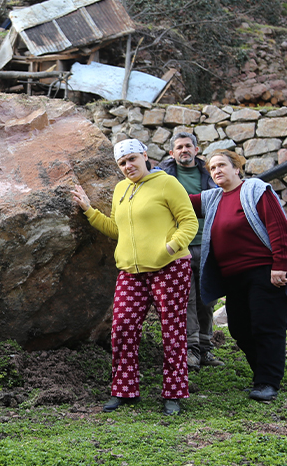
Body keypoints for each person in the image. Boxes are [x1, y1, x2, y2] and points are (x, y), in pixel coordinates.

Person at [72, 139, 198, 416]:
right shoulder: (121, 189)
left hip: (170, 267)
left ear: (144, 155)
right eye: (122, 163)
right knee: (123, 328)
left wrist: (171, 247)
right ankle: (124, 391)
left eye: (131, 159)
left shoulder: (167, 184)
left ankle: (173, 394)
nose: (128, 166)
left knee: (172, 331)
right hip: (131, 271)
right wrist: (89, 210)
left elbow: (189, 220)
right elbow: (117, 230)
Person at [189, 150, 287, 402]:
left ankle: (268, 382)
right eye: (212, 168)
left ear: (237, 169)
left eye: (222, 165)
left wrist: (279, 265)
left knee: (266, 326)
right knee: (240, 329)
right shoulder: (213, 198)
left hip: (263, 272)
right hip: (233, 277)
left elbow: (279, 228)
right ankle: (262, 375)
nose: (217, 171)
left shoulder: (255, 190)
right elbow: (181, 202)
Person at [159, 132, 224, 371]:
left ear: (197, 150)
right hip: (179, 247)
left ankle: (206, 348)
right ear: (171, 153)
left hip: (208, 244)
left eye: (188, 146)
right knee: (185, 299)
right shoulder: (161, 177)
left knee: (207, 298)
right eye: (179, 147)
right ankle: (191, 350)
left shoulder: (211, 174)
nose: (184, 150)